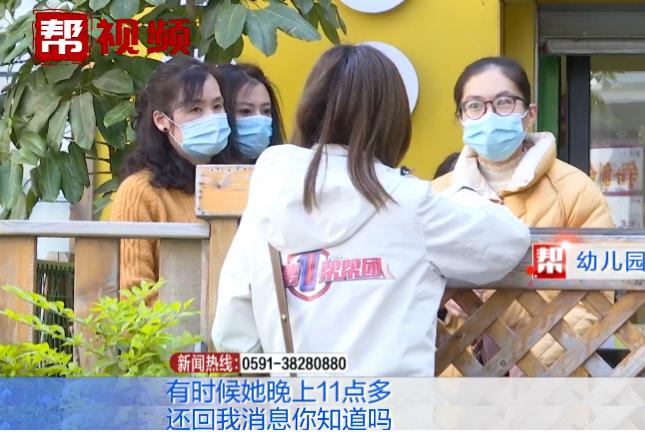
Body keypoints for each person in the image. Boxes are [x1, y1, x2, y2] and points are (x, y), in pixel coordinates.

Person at [212, 45, 531, 377]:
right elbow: (508, 242)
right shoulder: (411, 203)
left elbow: (232, 334)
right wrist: (464, 188)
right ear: (392, 120)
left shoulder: (269, 196)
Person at [433, 57, 615, 374]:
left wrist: (531, 359)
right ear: (461, 118)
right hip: (455, 379)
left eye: (504, 103)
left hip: (550, 380)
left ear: (529, 113)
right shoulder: (436, 196)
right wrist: (444, 307)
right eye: (475, 106)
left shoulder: (575, 190)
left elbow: (596, 294)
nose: (489, 115)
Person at [110, 56, 230, 291]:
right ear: (162, 121)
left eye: (217, 106)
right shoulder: (139, 192)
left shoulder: (233, 184)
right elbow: (135, 294)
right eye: (195, 109)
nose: (212, 117)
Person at [212, 63, 286, 164]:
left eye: (266, 111)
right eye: (245, 111)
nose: (260, 120)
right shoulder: (200, 172)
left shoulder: (285, 168)